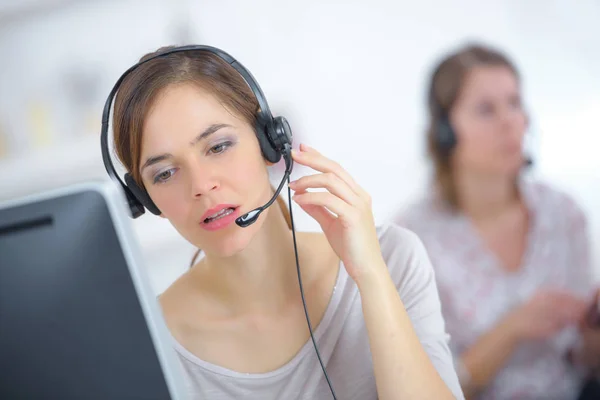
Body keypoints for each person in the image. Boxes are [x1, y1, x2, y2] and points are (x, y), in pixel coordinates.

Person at [109, 45, 464, 400]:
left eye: (217, 147)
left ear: (269, 142)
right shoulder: (150, 342)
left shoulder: (392, 258)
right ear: (144, 199)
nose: (201, 186)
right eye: (166, 173)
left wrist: (370, 275)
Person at [394, 42, 600, 400]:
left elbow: (581, 359)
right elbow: (418, 387)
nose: (511, 121)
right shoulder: (412, 237)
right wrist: (513, 329)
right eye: (486, 109)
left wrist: (592, 341)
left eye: (515, 103)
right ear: (446, 132)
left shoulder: (565, 213)